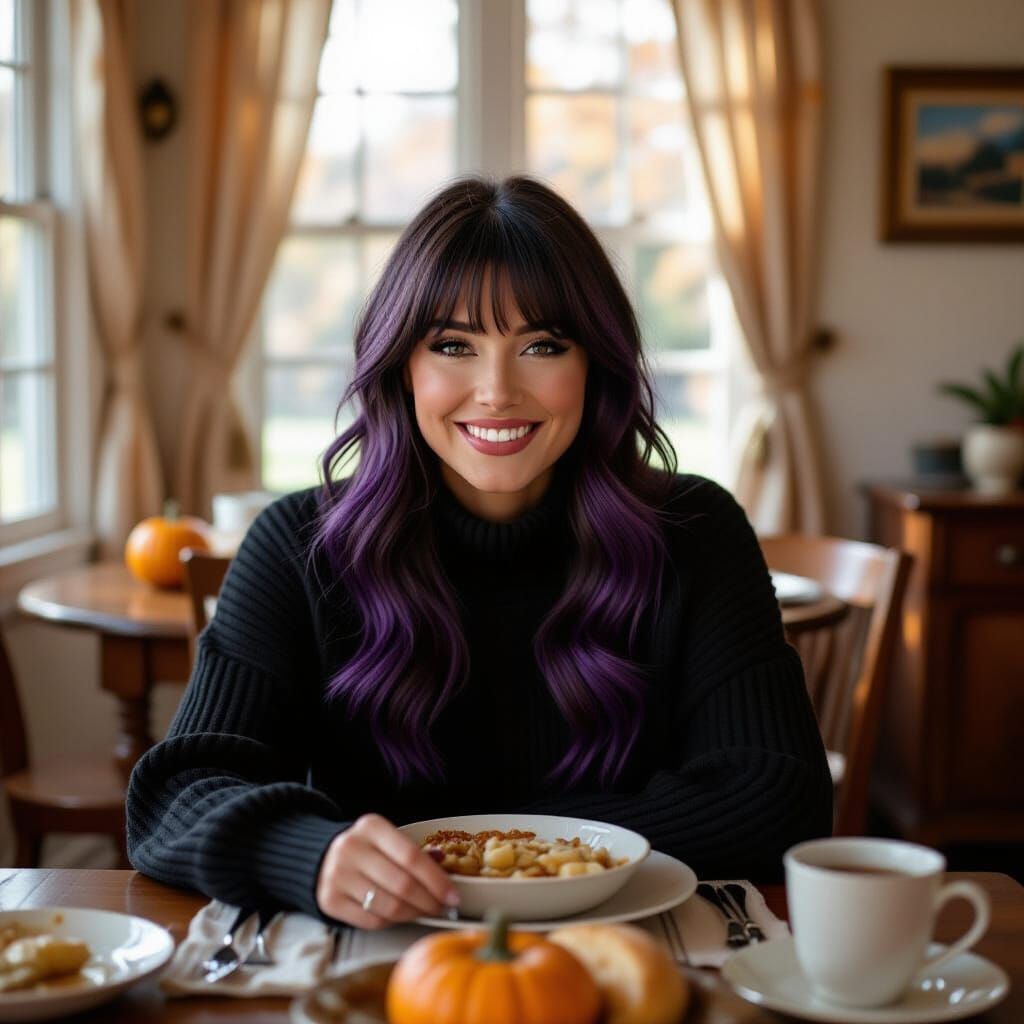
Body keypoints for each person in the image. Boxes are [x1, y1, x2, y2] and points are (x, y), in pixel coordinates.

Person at [127, 175, 832, 930]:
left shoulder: (699, 531)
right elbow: (173, 797)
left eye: (542, 345)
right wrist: (311, 852)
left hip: (626, 945)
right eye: (453, 346)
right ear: (402, 365)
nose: (496, 391)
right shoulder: (298, 544)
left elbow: (779, 796)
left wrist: (497, 855)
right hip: (377, 949)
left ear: (594, 365)